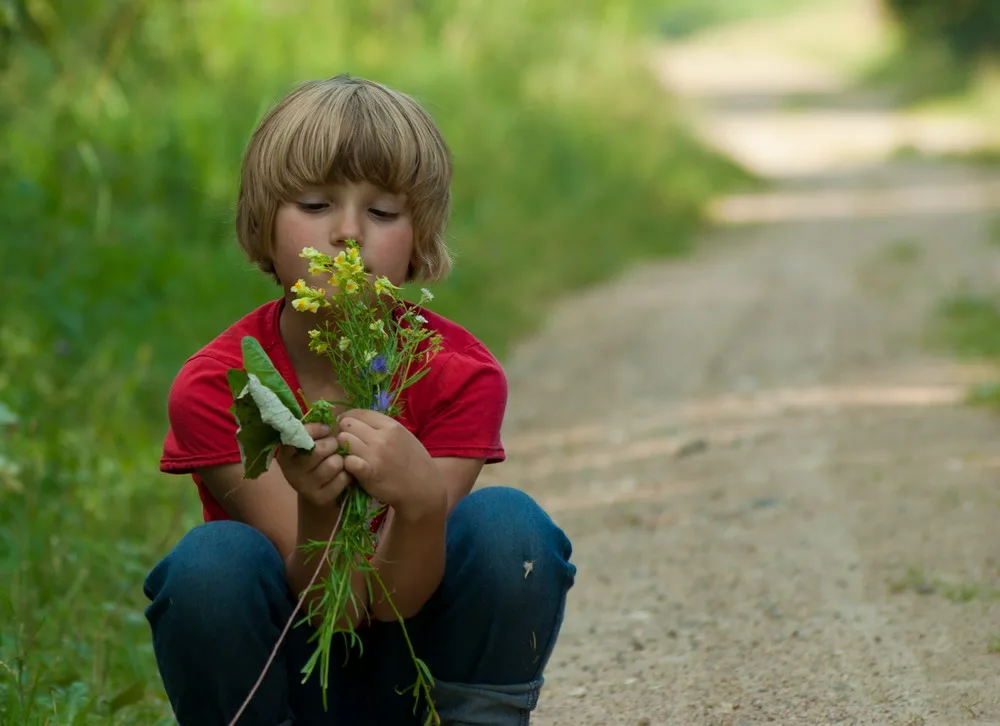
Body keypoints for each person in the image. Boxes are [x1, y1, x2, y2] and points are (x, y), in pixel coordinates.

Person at [142, 74, 577, 726]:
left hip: (417, 672)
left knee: (510, 528)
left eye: (382, 213)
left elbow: (388, 605)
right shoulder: (221, 385)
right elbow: (334, 610)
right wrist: (319, 509)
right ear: (263, 227)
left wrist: (422, 501)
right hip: (286, 677)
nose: (348, 233)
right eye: (315, 205)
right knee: (211, 565)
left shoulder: (457, 373)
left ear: (418, 241)